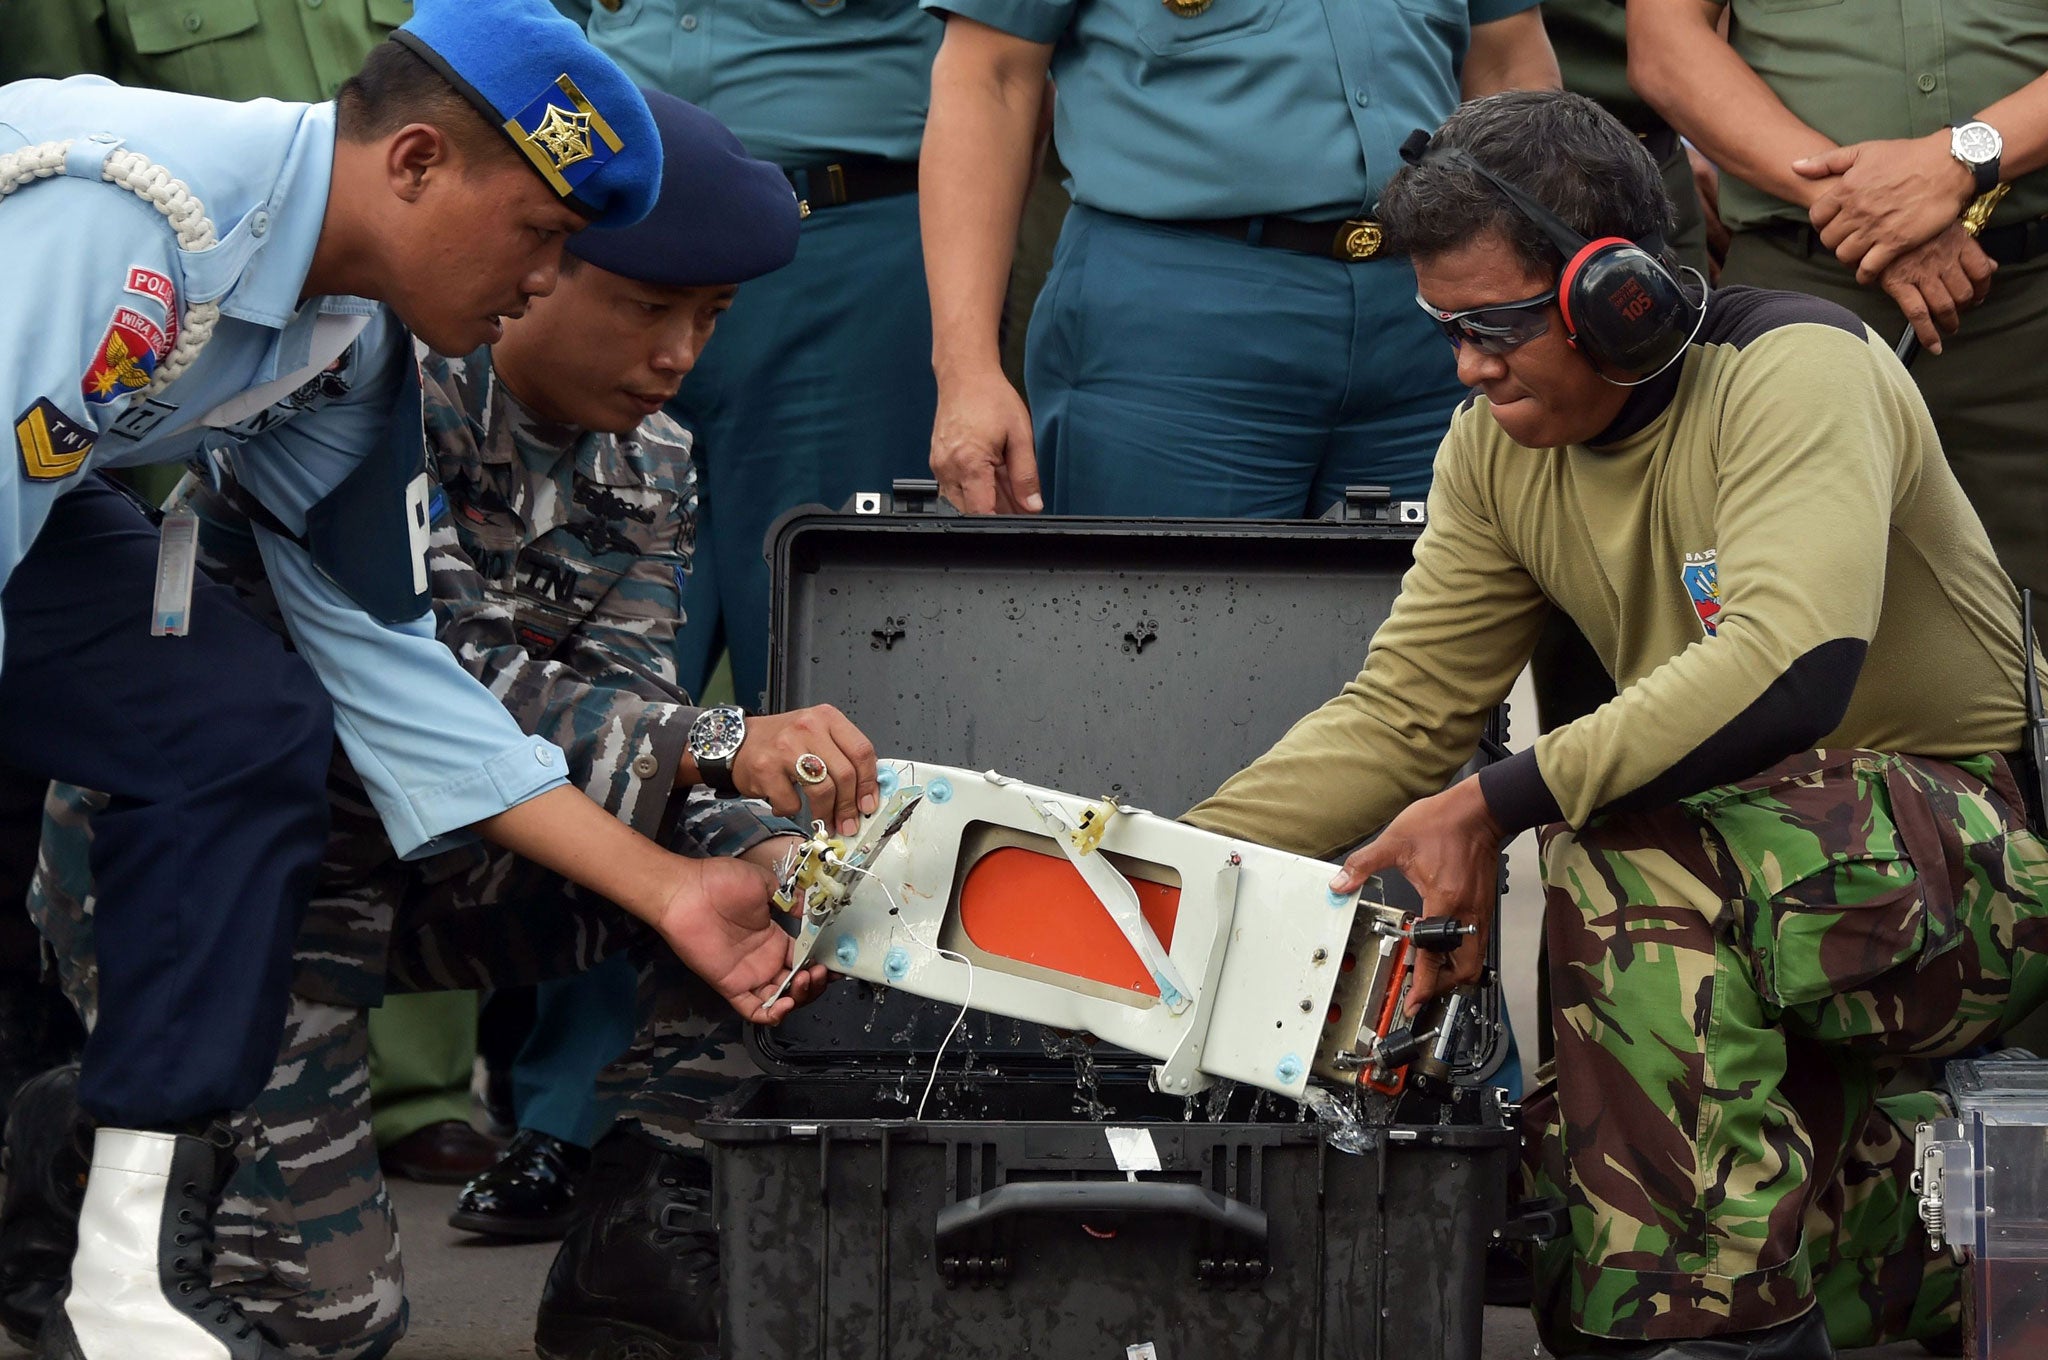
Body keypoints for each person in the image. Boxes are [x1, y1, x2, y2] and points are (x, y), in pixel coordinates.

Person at [0, 4, 837, 1355]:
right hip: (43, 550)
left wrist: (675, 887)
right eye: (543, 237)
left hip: (120, 601)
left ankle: (125, 1250)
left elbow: (387, 663)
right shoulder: (125, 221)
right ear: (414, 164)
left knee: (236, 720)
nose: (546, 276)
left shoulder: (341, 340)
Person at [1184, 89, 2048, 1359]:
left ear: (1617, 294)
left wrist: (1491, 803)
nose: (1466, 364)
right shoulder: (1491, 448)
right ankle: (1861, 1274)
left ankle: (1695, 1337)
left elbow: (1787, 663)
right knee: (1600, 1192)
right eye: (1444, 329)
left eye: (1494, 324)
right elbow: (1399, 718)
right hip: (1755, 876)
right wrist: (1153, 864)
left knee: (1613, 851)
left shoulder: (1799, 367)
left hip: (1975, 863)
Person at [918, 0, 1561, 519]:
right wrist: (964, 368)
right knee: (1161, 643)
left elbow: (1510, 70)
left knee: (1426, 653)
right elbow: (989, 77)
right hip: (1174, 326)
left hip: (1429, 320)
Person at [554, 0, 944, 713]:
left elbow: (1007, 68)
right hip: (614, 236)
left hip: (839, 243)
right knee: (580, 649)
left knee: (826, 655)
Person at [1630, 0, 2048, 599]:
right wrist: (1868, 205)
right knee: (1789, 604)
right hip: (1802, 292)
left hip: (2031, 305)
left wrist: (1960, 161)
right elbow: (1664, 44)